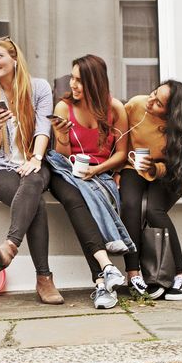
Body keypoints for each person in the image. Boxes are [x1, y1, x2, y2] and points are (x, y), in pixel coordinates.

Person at [0, 37, 64, 305]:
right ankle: (44, 279)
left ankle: (10, 246)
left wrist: (36, 157)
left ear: (14, 58)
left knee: (33, 181)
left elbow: (43, 129)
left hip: (35, 162)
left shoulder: (39, 88)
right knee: (36, 204)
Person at [46, 55, 135, 309]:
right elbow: (62, 156)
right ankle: (105, 271)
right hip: (66, 171)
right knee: (77, 199)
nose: (72, 84)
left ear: (94, 82)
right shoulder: (64, 108)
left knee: (84, 200)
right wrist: (62, 136)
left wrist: (98, 169)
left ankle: (102, 283)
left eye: (78, 80)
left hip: (98, 173)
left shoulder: (115, 108)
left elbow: (120, 153)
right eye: (72, 77)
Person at [119, 80, 182, 301]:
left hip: (171, 172)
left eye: (158, 103)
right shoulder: (137, 105)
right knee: (130, 205)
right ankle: (133, 274)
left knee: (153, 211)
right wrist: (116, 171)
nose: (150, 101)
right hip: (134, 166)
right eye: (153, 93)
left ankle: (181, 275)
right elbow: (118, 137)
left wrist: (156, 168)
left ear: (172, 114)